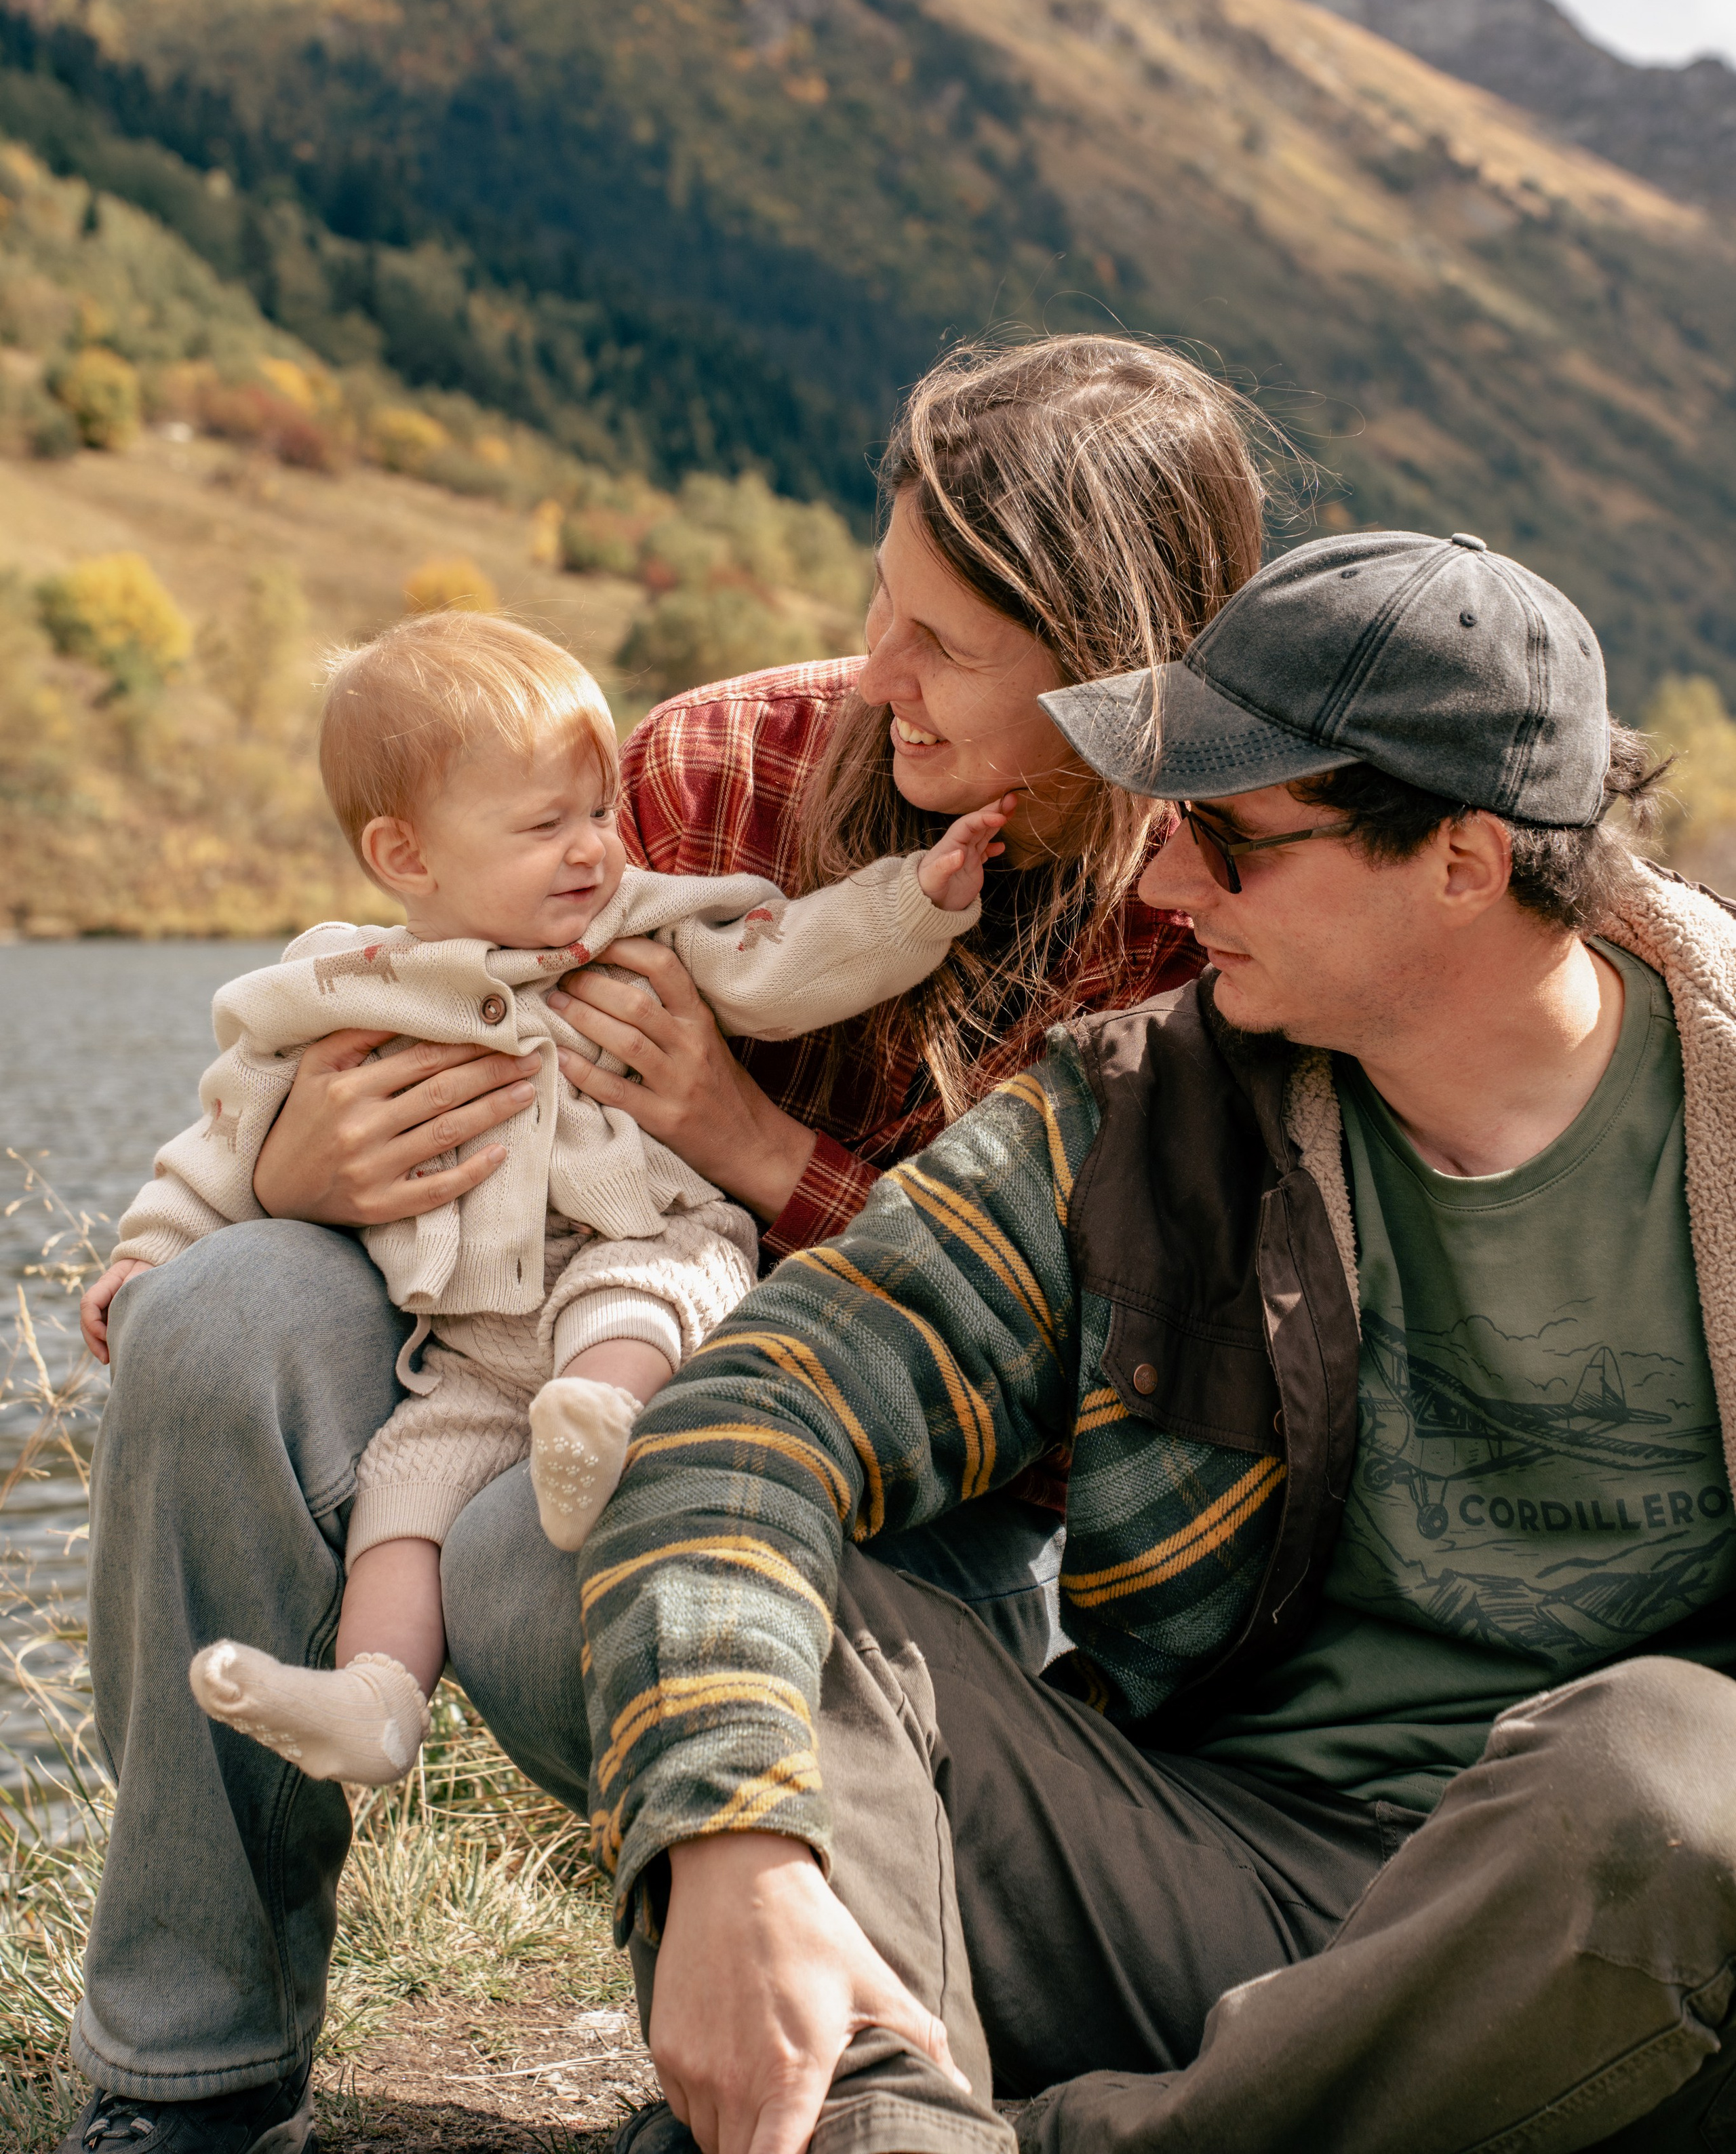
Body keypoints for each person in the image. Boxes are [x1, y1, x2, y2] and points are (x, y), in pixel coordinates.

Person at [59, 334, 1265, 2154]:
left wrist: (755, 1148)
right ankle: (190, 2080)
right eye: (884, 607)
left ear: (1116, 680)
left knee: (550, 1547)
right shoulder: (714, 765)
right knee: (217, 1327)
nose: (878, 674)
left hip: (915, 1530)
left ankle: (776, 2075)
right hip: (534, 1324)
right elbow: (445, 987)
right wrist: (297, 1161)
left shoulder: (1210, 912)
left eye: (946, 649)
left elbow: (1091, 1409)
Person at [573, 528, 1736, 2154]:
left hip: (1591, 1957)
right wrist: (731, 1842)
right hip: (1188, 1877)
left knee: (1665, 1777)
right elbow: (743, 1420)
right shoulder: (1126, 1117)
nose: (1161, 881)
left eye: (1226, 837)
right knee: (797, 1612)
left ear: (1464, 862)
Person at [80, 609, 1004, 1790]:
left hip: (644, 1237)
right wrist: (148, 1254)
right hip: (467, 1347)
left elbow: (787, 965)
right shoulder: (345, 982)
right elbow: (226, 1128)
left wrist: (918, 899)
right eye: (543, 826)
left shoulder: (633, 927)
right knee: (404, 1504)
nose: (592, 851)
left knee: (635, 1300)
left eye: (601, 813)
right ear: (406, 858)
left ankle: (602, 1418)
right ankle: (373, 1699)